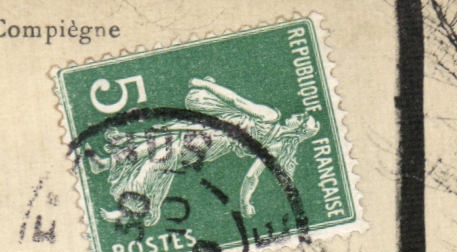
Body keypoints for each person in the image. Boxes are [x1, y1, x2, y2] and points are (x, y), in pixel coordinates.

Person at [87, 77, 320, 226]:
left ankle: (130, 210)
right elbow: (251, 177)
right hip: (212, 137)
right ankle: (107, 164)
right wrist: (245, 202)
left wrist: (206, 85)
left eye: (299, 118)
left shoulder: (271, 117)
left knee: (158, 160)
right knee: (157, 143)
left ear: (298, 128)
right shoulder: (278, 148)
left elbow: (237, 101)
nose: (294, 115)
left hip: (210, 138)